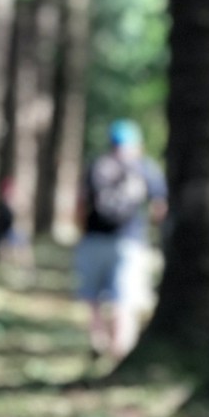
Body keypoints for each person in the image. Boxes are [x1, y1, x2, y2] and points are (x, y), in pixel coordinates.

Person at [76, 119, 168, 361]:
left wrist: (81, 231)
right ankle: (121, 351)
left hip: (93, 237)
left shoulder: (98, 165)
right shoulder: (145, 167)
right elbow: (159, 207)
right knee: (124, 299)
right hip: (131, 240)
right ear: (138, 144)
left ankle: (97, 339)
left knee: (93, 296)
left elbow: (81, 203)